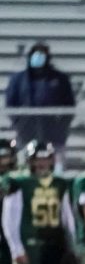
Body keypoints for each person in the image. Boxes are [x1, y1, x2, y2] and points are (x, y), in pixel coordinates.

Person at [5, 43, 75, 173]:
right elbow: (10, 104)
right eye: (35, 54)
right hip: (26, 134)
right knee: (24, 169)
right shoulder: (18, 79)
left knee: (57, 169)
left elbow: (69, 106)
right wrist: (20, 124)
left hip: (54, 136)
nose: (38, 58)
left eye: (42, 55)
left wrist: (59, 126)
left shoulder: (60, 79)